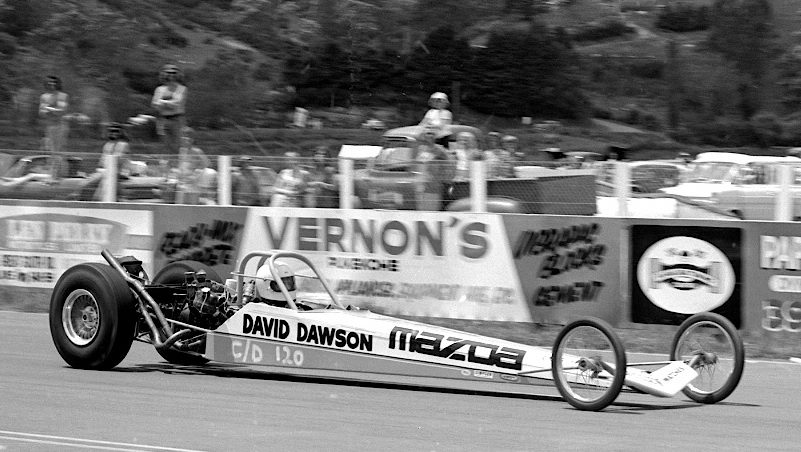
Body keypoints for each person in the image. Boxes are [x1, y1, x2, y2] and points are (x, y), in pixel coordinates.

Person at [151, 64, 187, 154]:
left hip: (177, 119)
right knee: (165, 145)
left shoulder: (181, 88)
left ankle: (178, 162)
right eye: (168, 73)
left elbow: (176, 104)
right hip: (163, 119)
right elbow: (154, 104)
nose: (171, 75)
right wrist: (168, 103)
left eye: (173, 73)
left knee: (178, 145)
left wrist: (162, 102)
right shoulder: (159, 89)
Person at [176, 127, 211, 204]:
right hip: (182, 183)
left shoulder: (197, 151)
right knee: (180, 205)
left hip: (193, 184)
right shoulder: (182, 150)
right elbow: (181, 164)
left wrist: (195, 175)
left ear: (191, 139)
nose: (183, 139)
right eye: (182, 137)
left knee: (192, 206)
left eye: (186, 137)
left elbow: (206, 163)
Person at [39, 75, 70, 154]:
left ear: (58, 83)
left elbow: (61, 111)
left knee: (58, 150)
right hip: (49, 126)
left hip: (60, 126)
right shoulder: (44, 96)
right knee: (48, 149)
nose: (51, 84)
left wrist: (48, 108)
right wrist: (49, 109)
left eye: (54, 82)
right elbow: (41, 112)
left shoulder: (62, 96)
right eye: (49, 82)